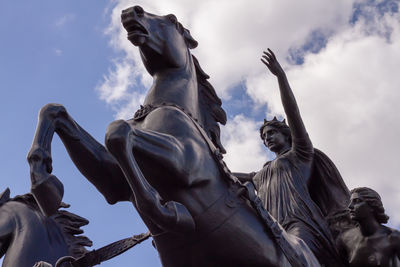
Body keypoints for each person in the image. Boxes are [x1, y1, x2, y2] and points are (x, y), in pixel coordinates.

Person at [236, 49, 346, 266]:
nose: (267, 138)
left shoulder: (301, 154)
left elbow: (293, 112)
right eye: (264, 137)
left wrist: (281, 77)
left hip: (301, 224)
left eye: (271, 133)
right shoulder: (259, 174)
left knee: (293, 254)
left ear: (286, 134)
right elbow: (218, 172)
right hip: (269, 226)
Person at [337, 187, 400, 266]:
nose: (350, 206)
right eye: (351, 202)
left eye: (357, 201)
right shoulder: (345, 239)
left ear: (372, 206)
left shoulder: (393, 237)